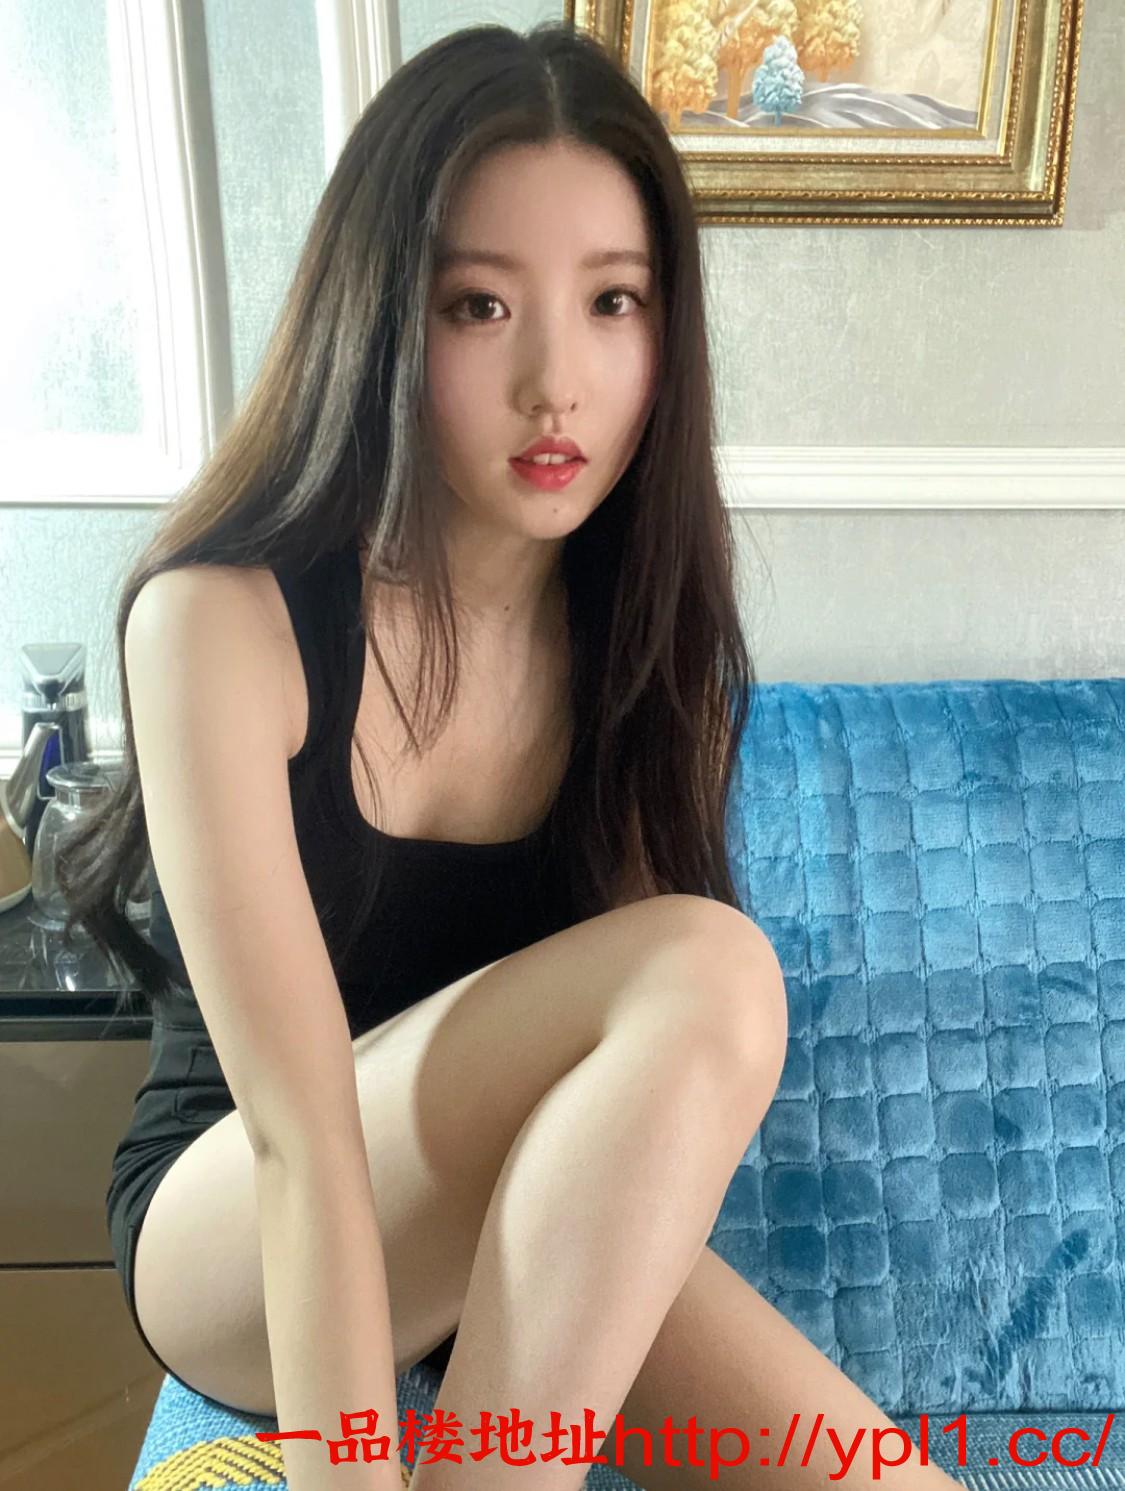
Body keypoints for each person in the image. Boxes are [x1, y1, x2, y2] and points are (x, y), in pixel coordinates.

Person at [58, 20, 967, 1491]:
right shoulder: (222, 623)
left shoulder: (644, 647)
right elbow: (300, 1144)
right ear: (383, 320)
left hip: (505, 1220)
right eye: (480, 306)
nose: (558, 382)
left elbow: (629, 1127)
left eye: (613, 302)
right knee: (711, 965)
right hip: (239, 1228)